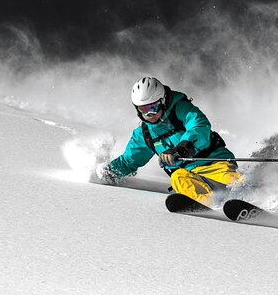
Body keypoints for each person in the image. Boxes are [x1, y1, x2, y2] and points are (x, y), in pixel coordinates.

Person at [95, 77, 245, 205]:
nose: (149, 114)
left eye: (153, 107)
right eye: (143, 109)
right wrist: (108, 172)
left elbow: (199, 125)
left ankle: (254, 195)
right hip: (187, 172)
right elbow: (129, 161)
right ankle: (210, 203)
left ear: (163, 101)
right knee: (178, 178)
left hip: (213, 162)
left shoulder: (180, 109)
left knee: (231, 180)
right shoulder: (144, 134)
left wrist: (182, 148)